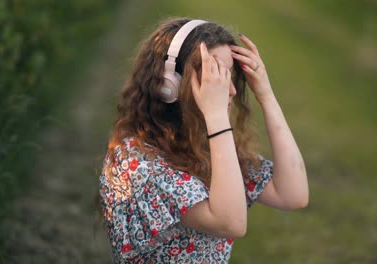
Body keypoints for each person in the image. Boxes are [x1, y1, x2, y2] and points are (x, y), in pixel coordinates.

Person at [98, 17, 309, 263]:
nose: (230, 90)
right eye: (214, 76)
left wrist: (266, 95)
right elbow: (231, 223)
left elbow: (292, 194)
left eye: (229, 74)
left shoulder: (200, 144)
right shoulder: (138, 163)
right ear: (170, 85)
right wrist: (217, 116)